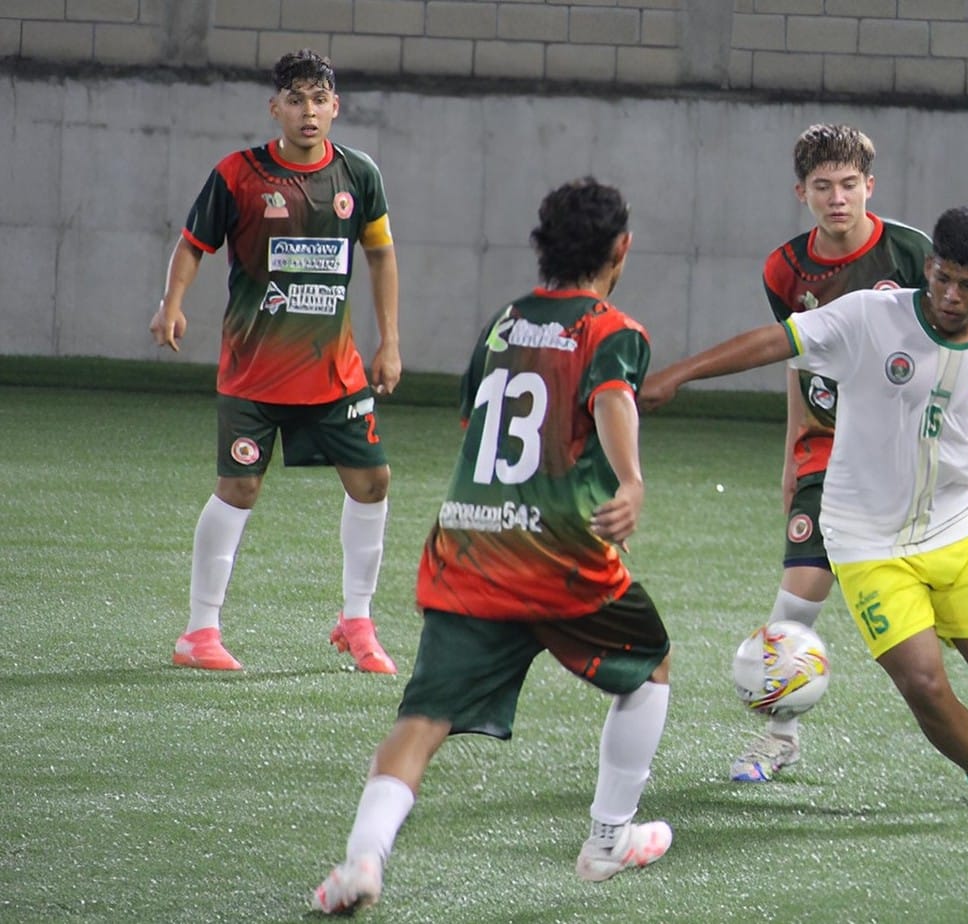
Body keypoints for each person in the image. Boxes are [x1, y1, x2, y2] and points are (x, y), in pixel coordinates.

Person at [311, 178, 674, 915]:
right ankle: (608, 840)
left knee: (421, 721)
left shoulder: (505, 322)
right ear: (621, 249)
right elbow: (611, 398)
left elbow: (472, 422)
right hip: (559, 556)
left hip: (468, 548)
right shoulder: (614, 331)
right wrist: (630, 480)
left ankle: (361, 863)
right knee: (651, 667)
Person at [641, 206, 968, 830]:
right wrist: (679, 375)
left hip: (957, 532)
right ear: (929, 266)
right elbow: (778, 341)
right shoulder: (867, 315)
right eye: (941, 277)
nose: (949, 294)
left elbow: (961, 427)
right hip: (865, 542)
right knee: (925, 686)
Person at [148, 49, 400, 674]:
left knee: (373, 481)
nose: (308, 111)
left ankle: (358, 619)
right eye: (296, 99)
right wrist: (171, 303)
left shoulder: (359, 175)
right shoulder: (238, 174)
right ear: (276, 107)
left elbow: (381, 256)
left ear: (335, 107)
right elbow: (192, 244)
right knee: (239, 488)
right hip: (253, 368)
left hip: (334, 369)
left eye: (319, 99)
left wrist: (390, 340)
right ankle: (199, 632)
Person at [730, 123, 931, 783]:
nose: (837, 197)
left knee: (941, 629)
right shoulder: (783, 269)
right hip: (826, 451)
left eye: (849, 184)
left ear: (869, 186)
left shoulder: (911, 254)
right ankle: (779, 736)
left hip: (902, 456)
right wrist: (792, 451)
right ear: (802, 192)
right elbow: (797, 357)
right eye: (824, 186)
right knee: (798, 599)